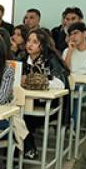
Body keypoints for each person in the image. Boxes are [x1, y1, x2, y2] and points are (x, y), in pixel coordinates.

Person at [20, 28, 69, 159]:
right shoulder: (22, 58)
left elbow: (60, 84)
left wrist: (34, 80)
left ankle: (25, 150)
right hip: (26, 103)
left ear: (43, 45)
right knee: (16, 117)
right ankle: (20, 152)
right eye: (29, 41)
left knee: (21, 119)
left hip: (49, 105)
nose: (30, 44)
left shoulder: (51, 60)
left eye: (35, 42)